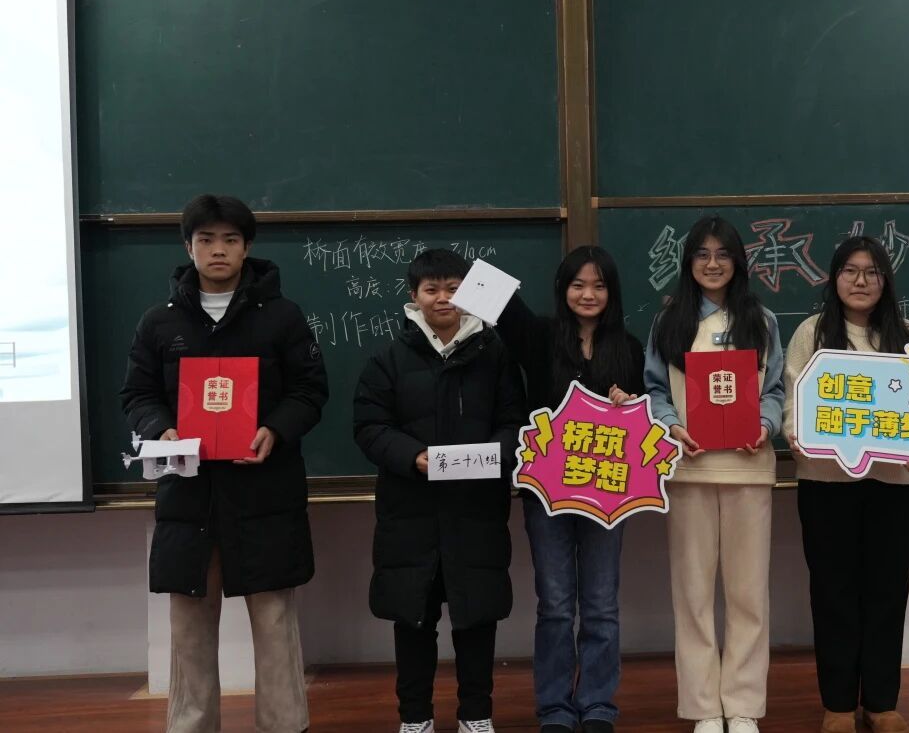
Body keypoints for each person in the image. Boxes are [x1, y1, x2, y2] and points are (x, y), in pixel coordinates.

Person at [121, 194, 328, 733]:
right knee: (189, 627)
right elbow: (137, 394)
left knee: (274, 621)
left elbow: (310, 391)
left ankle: (285, 725)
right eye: (206, 239)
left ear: (247, 247)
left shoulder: (282, 316)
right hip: (189, 496)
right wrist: (160, 429)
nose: (218, 250)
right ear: (188, 247)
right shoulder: (159, 322)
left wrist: (274, 429)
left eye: (230, 240)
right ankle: (190, 726)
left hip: (266, 491)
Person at [353, 248, 526, 733]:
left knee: (477, 620)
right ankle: (415, 718)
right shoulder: (388, 359)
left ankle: (476, 715)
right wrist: (413, 456)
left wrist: (493, 455)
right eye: (432, 289)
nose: (443, 297)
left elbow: (515, 422)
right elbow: (369, 427)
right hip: (410, 513)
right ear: (415, 296)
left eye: (453, 287)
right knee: (413, 620)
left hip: (476, 511)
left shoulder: (494, 355)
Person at [493, 245, 646, 733]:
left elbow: (644, 420)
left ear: (612, 292)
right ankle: (556, 708)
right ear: (562, 289)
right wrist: (453, 268)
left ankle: (598, 704)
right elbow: (496, 300)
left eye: (599, 285)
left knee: (601, 605)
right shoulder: (539, 336)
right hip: (546, 493)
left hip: (608, 492)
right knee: (556, 605)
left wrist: (628, 401)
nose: (588, 294)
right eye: (578, 284)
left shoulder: (630, 347)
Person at [644, 215, 785, 733]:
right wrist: (672, 426)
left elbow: (775, 391)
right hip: (689, 470)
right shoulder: (669, 321)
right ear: (688, 263)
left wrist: (766, 426)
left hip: (748, 469)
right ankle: (704, 707)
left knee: (749, 594)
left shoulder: (761, 320)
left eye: (722, 254)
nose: (712, 263)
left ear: (738, 262)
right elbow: (654, 391)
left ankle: (743, 705)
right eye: (702, 254)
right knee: (693, 595)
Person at [782, 236, 909, 733]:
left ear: (886, 280)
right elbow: (793, 397)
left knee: (888, 592)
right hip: (826, 483)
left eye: (871, 272)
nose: (860, 281)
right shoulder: (812, 332)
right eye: (850, 270)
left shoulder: (908, 334)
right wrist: (797, 434)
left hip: (894, 483)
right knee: (833, 593)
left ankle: (882, 702)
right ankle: (839, 704)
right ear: (834, 278)